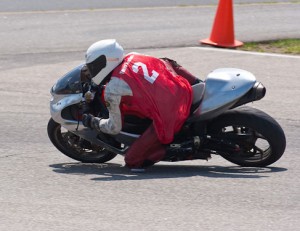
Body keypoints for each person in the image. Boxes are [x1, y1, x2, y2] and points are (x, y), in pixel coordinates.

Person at [82, 39, 199, 172]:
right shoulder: (133, 56)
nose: (92, 70)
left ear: (105, 62)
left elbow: (114, 127)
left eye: (93, 66)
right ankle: (199, 82)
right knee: (165, 60)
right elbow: (164, 62)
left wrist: (93, 122)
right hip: (182, 88)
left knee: (132, 160)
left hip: (172, 111)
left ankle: (183, 149)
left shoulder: (113, 89)